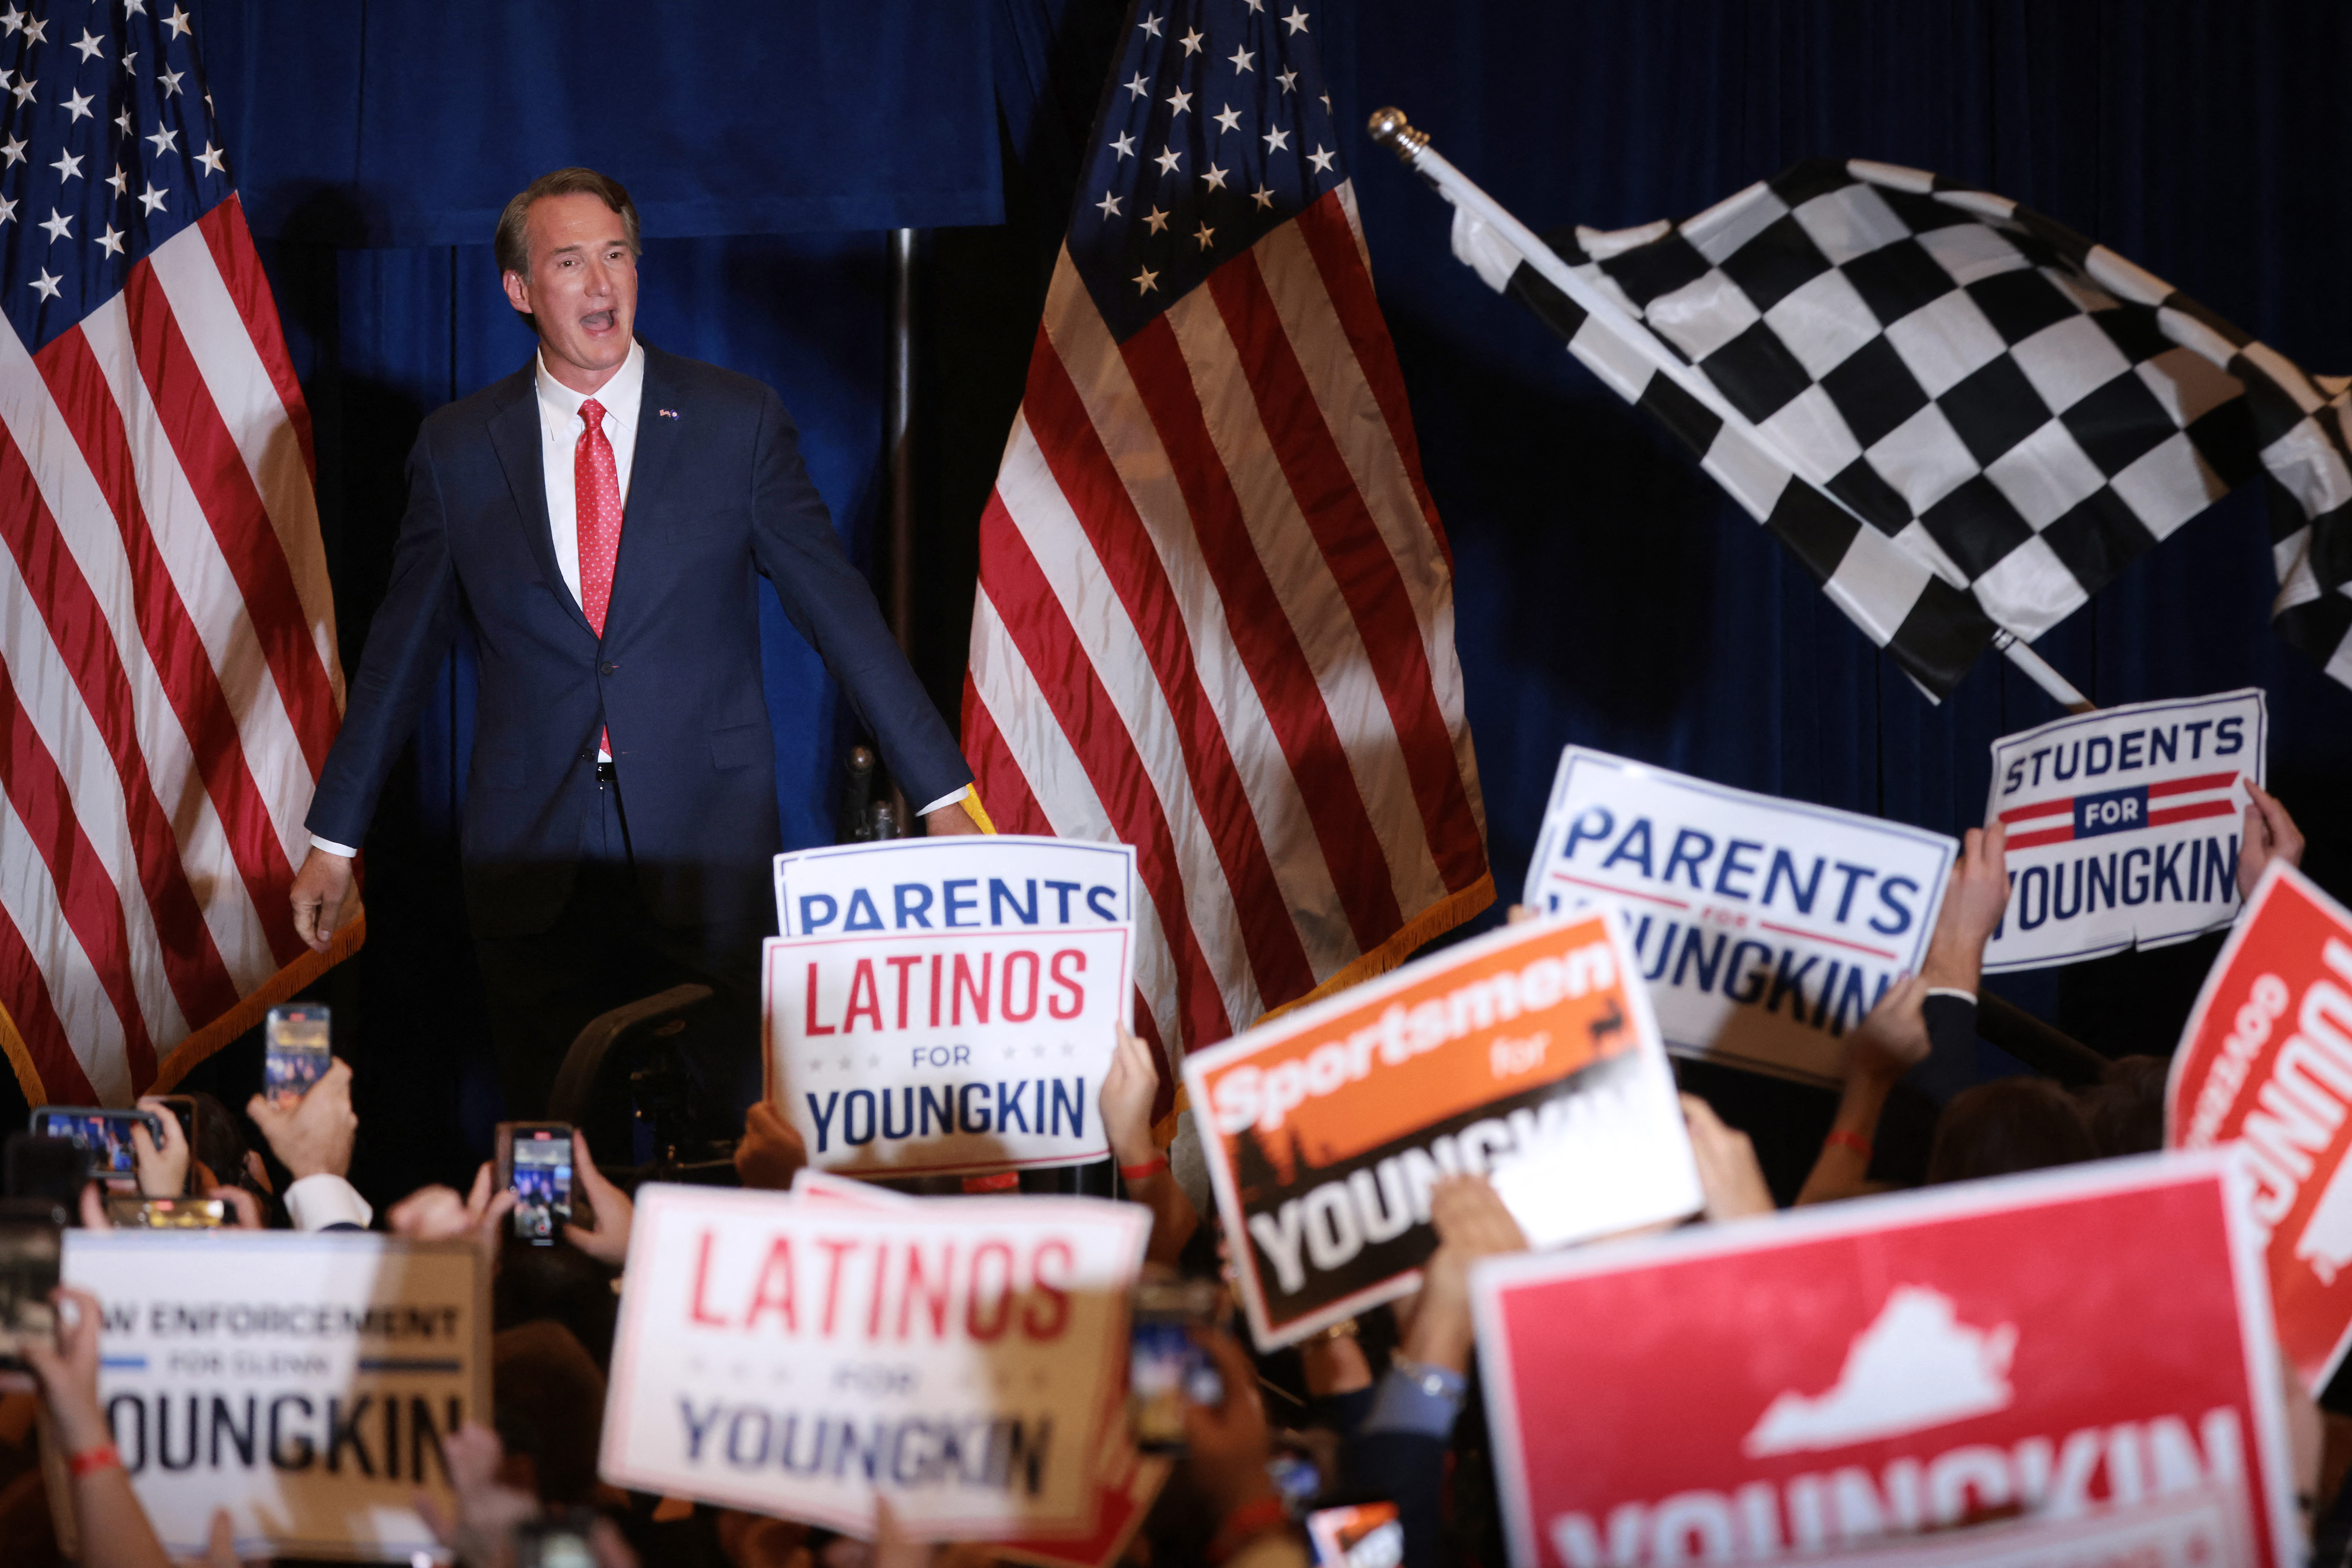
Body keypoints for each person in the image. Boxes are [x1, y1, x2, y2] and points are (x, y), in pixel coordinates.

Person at [287, 167, 979, 1129]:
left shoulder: (738, 422)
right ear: (521, 291)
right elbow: (399, 656)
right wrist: (334, 839)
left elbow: (844, 615)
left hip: (708, 848)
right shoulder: (456, 448)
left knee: (733, 1140)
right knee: (550, 1151)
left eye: (617, 256)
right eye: (570, 262)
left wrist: (944, 798)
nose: (602, 285)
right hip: (534, 857)